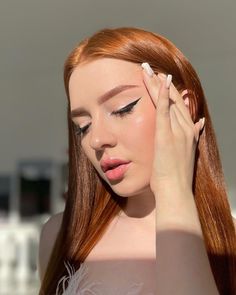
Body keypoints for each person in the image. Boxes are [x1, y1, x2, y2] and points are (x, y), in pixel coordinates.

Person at [38, 27, 236, 295]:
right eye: (82, 126)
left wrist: (171, 188)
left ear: (184, 106)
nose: (96, 140)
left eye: (123, 108)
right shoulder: (60, 237)